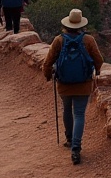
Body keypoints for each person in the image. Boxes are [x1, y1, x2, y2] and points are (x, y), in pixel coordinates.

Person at [43, 9, 104, 165]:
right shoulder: (88, 40)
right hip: (83, 84)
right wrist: (97, 71)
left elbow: (48, 62)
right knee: (79, 114)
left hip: (64, 84)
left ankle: (69, 139)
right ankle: (76, 148)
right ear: (81, 25)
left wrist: (48, 75)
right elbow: (99, 59)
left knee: (67, 109)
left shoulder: (59, 40)